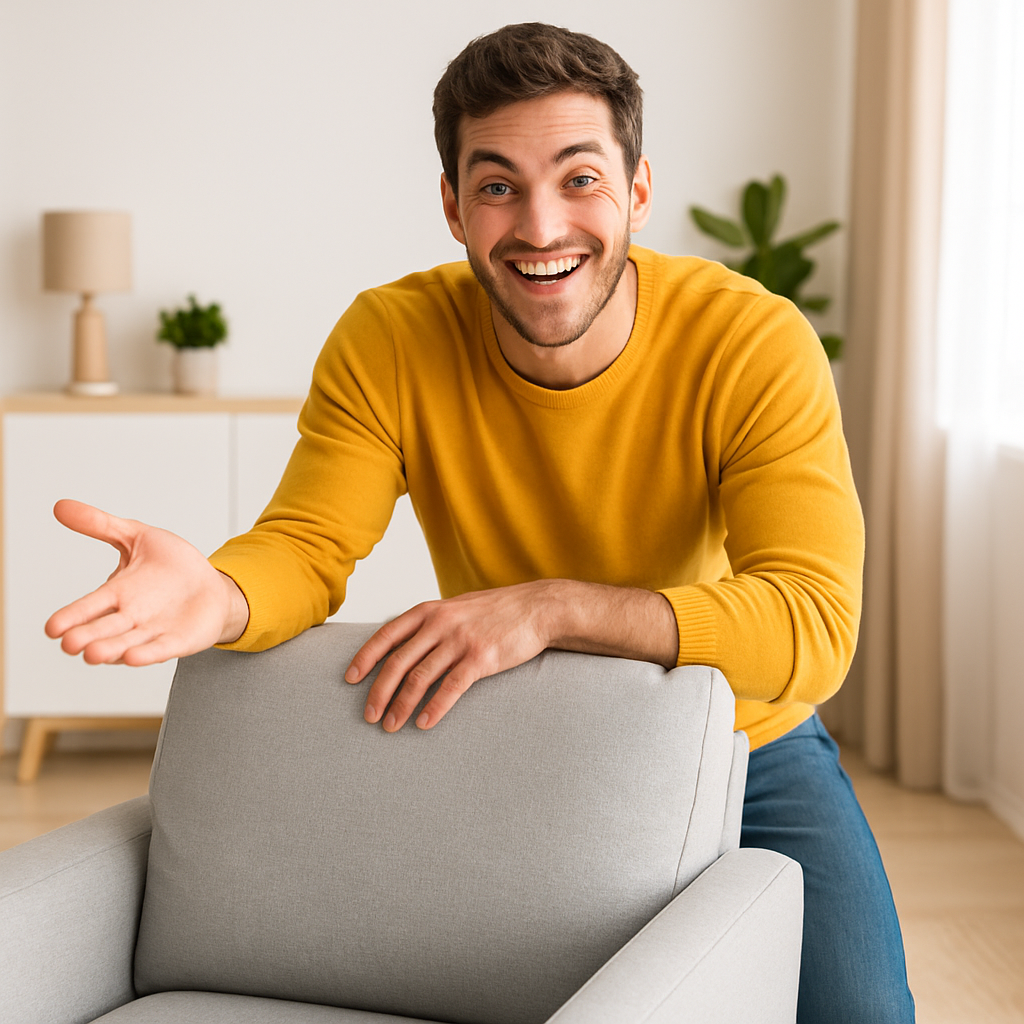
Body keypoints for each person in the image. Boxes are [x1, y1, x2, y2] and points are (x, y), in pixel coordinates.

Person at [45, 23, 914, 1023]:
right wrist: (223, 593)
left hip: (741, 738)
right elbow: (307, 545)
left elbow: (809, 623)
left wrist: (548, 610)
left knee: (865, 1012)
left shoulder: (750, 340)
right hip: (515, 735)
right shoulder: (392, 338)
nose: (541, 226)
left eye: (578, 178)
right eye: (498, 185)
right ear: (454, 207)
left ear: (636, 189)